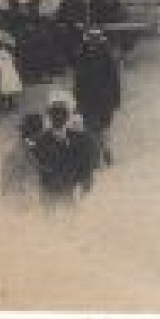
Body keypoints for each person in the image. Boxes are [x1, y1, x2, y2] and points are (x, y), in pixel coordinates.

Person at [33, 94, 95, 209]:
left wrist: (83, 182)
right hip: (52, 190)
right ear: (50, 117)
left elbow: (85, 164)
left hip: (68, 189)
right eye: (54, 114)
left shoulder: (78, 139)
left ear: (67, 117)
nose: (58, 118)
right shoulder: (41, 141)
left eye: (61, 114)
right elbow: (39, 168)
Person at [73, 28, 122, 167]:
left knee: (93, 128)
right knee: (103, 128)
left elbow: (78, 81)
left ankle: (96, 157)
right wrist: (116, 99)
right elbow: (114, 79)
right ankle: (104, 151)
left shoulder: (83, 56)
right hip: (103, 99)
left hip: (90, 99)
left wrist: (77, 100)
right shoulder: (107, 55)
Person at [0, 113, 45, 208]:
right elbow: (7, 179)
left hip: (34, 197)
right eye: (35, 130)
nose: (38, 134)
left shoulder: (38, 148)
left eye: (38, 130)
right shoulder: (16, 151)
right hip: (18, 199)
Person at [0, 34, 24, 114]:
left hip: (5, 73)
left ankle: (6, 103)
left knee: (4, 88)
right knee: (7, 89)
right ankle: (8, 103)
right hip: (8, 73)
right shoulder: (6, 54)